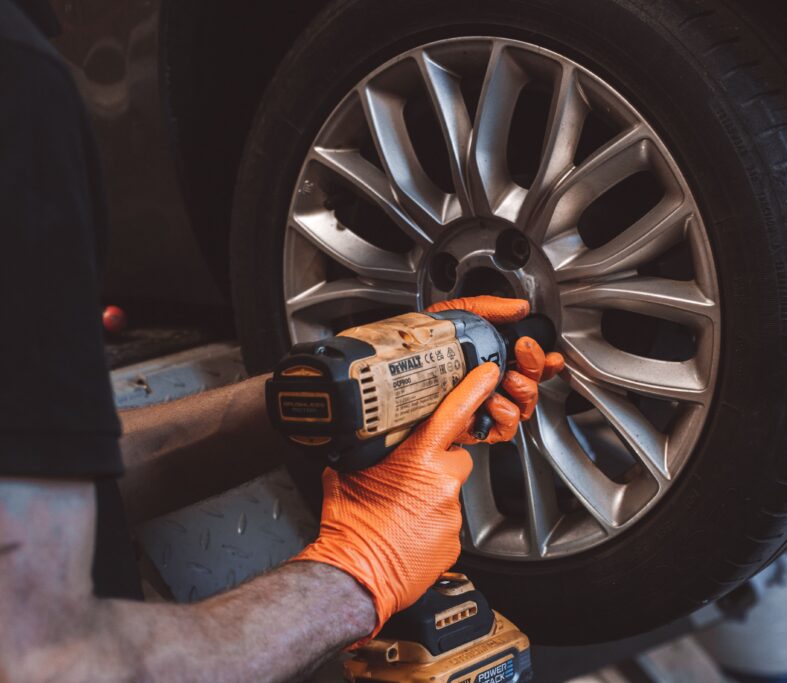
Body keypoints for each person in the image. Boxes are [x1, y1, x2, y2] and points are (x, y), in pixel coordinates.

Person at [0, 1, 564, 680]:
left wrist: (315, 404)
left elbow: (31, 468)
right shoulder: (15, 86)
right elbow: (45, 661)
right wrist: (357, 572)